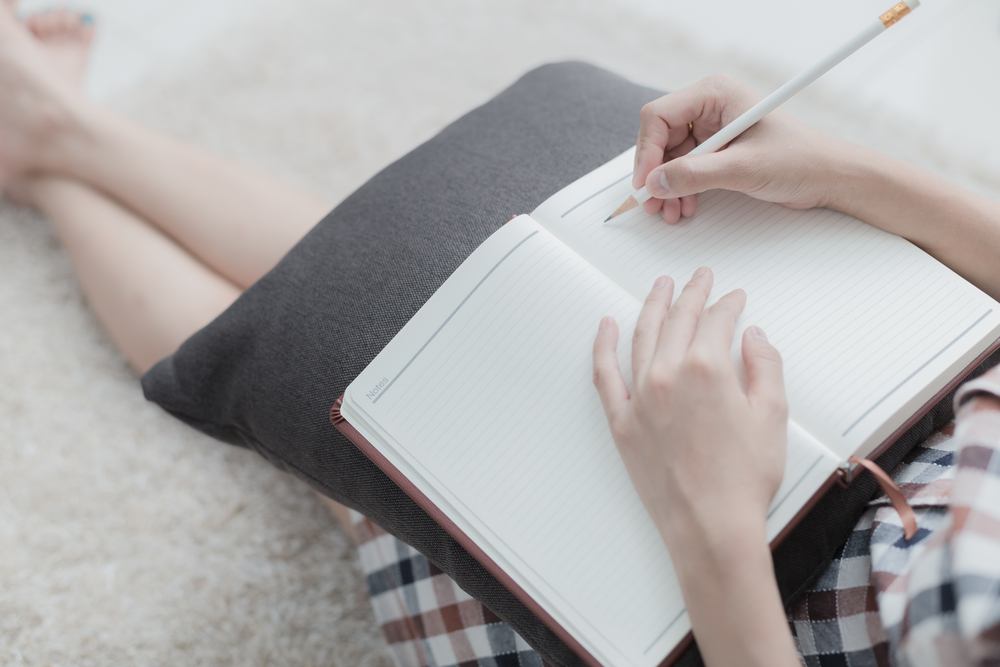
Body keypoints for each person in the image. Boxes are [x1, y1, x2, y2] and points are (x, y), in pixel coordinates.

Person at [3, 4, 999, 666]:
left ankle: (42, 149)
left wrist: (714, 525)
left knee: (367, 397)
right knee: (431, 271)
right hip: (895, 362)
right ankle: (55, 130)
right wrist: (847, 172)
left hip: (712, 611)